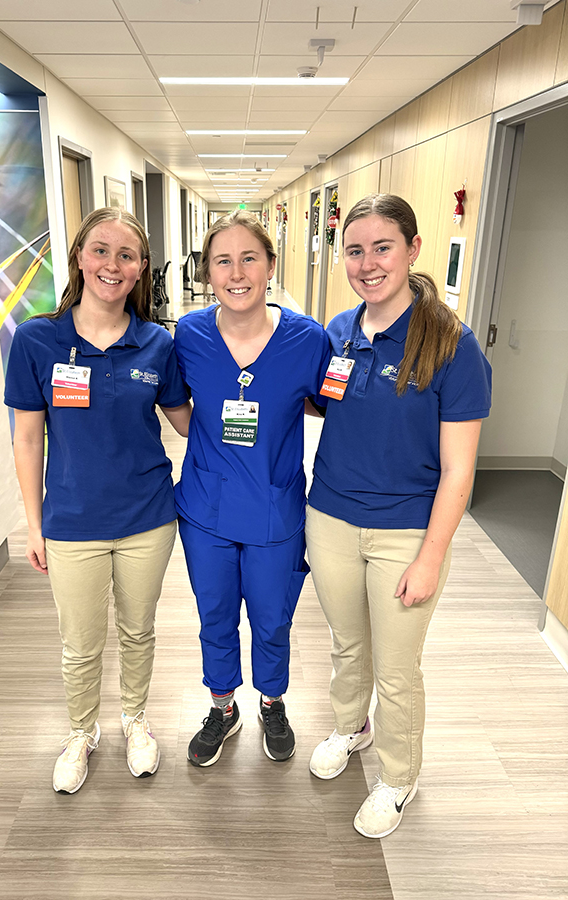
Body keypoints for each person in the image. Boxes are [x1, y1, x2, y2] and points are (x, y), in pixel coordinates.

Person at [306, 193, 492, 838]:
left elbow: (460, 470)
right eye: (354, 250)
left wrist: (431, 556)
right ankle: (350, 727)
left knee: (396, 665)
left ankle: (398, 775)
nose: (366, 263)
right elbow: (324, 406)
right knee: (346, 644)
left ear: (413, 250)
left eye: (381, 247)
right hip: (328, 514)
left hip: (405, 530)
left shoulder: (451, 345)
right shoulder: (337, 331)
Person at [4, 208, 191, 794]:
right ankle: (81, 732)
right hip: (72, 520)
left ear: (141, 270)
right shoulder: (39, 339)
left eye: (127, 256)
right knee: (80, 642)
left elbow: (186, 423)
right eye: (102, 251)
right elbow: (28, 436)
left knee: (139, 630)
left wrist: (254, 380)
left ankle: (134, 720)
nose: (113, 265)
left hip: (148, 518)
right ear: (80, 257)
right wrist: (33, 526)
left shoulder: (158, 343)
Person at [174, 210, 331, 767]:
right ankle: (222, 707)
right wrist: (216, 443)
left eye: (249, 258)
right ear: (208, 270)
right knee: (214, 613)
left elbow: (322, 402)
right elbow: (177, 407)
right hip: (205, 509)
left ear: (269, 266)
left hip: (274, 511)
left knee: (272, 616)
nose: (236, 272)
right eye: (223, 260)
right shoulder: (189, 334)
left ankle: (271, 701)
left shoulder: (307, 339)